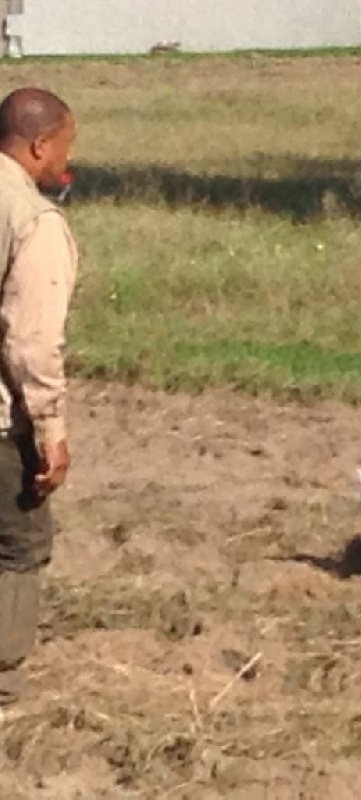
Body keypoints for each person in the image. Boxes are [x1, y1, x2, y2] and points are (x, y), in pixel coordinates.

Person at [0, 88, 78, 706]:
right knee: (22, 545)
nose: (66, 160)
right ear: (38, 145)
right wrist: (50, 432)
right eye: (66, 146)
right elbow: (31, 343)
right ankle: (3, 675)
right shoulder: (34, 221)